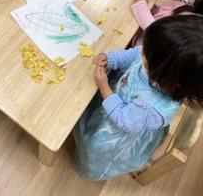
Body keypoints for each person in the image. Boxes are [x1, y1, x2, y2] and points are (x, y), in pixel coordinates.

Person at [73, 15, 203, 180]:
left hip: (121, 129)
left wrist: (104, 86)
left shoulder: (154, 108)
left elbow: (123, 118)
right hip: (121, 99)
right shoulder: (160, 64)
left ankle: (87, 170)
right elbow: (136, 55)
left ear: (167, 77)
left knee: (93, 146)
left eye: (146, 56)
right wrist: (113, 59)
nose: (142, 54)